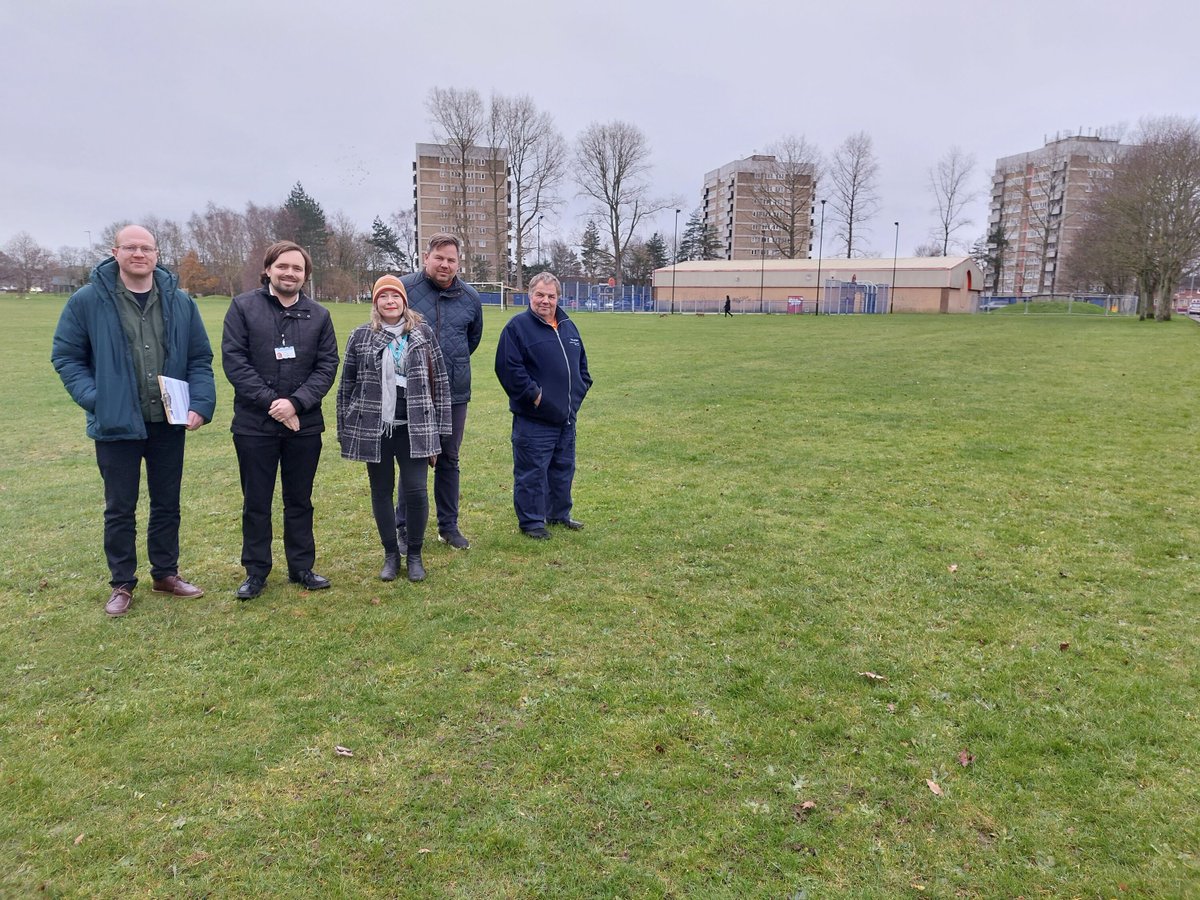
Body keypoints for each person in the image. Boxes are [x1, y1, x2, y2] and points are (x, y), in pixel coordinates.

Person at [51, 225, 216, 617]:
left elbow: (199, 359)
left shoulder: (179, 302)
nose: (139, 253)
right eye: (131, 247)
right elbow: (66, 357)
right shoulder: (87, 301)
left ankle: (165, 573)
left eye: (146, 248)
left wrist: (201, 404)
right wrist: (97, 399)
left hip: (166, 421)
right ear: (116, 252)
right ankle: (122, 583)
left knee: (167, 503)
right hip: (116, 425)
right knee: (120, 506)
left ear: (157, 254)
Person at [221, 241, 338, 599]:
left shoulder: (319, 315)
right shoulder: (243, 307)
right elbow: (234, 361)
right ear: (269, 268)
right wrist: (275, 404)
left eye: (298, 269)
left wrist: (297, 403)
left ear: (305, 275)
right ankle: (256, 571)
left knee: (299, 499)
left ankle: (301, 566)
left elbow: (327, 365)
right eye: (283, 266)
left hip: (303, 425)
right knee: (256, 500)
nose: (290, 273)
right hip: (255, 426)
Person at [337, 275, 451, 583]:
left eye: (395, 296)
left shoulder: (422, 334)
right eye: (383, 296)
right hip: (376, 428)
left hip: (415, 426)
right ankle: (390, 555)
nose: (390, 301)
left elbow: (439, 382)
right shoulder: (361, 336)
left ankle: (414, 554)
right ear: (375, 303)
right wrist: (345, 429)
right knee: (381, 492)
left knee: (415, 492)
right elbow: (346, 385)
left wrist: (441, 432)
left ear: (404, 301)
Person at [396, 234, 483, 552]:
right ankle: (402, 528)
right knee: (412, 459)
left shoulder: (471, 298)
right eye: (439, 257)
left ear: (459, 263)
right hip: (412, 391)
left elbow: (471, 340)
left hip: (455, 393)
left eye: (451, 259)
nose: (445, 264)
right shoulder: (404, 289)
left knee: (449, 458)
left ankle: (448, 527)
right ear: (425, 256)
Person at [494, 272, 592, 539]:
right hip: (534, 419)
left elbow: (581, 366)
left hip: (566, 417)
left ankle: (559, 514)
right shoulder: (517, 328)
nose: (545, 301)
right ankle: (532, 522)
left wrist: (578, 394)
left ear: (558, 298)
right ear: (530, 295)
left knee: (562, 468)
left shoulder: (568, 326)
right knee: (532, 472)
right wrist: (536, 397)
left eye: (551, 296)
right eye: (540, 295)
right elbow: (508, 369)